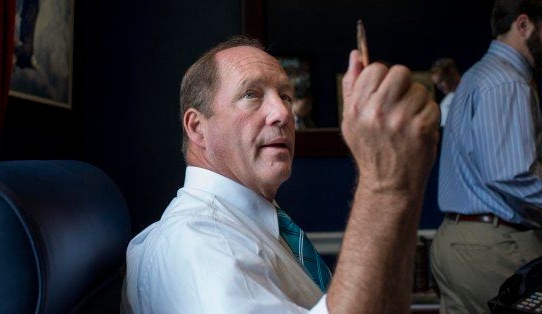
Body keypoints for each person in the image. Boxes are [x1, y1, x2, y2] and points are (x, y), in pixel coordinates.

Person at [121, 36, 440, 313]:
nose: (284, 113)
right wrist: (385, 184)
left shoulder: (258, 225)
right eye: (251, 95)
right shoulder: (194, 243)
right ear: (197, 127)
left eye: (286, 96)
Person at [430, 0, 542, 313]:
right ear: (524, 24)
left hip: (455, 242)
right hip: (493, 246)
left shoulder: (478, 74)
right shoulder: (507, 82)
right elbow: (511, 174)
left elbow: (486, 160)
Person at [429, 58, 460, 127]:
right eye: (437, 84)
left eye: (441, 81)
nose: (439, 87)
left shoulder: (475, 90)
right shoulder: (446, 104)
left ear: (453, 73)